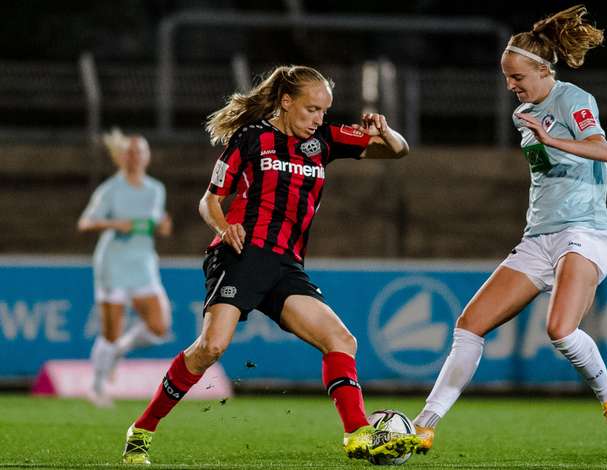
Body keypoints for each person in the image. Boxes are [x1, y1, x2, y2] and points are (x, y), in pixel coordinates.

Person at [120, 65, 419, 465]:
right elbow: (209, 201)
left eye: (324, 112)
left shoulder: (324, 141)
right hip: (241, 254)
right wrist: (225, 228)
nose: (319, 120)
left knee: (341, 340)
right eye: (311, 109)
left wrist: (384, 129)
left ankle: (357, 434)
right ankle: (141, 431)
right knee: (211, 347)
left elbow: (398, 150)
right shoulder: (252, 138)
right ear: (285, 101)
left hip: (285, 265)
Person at [412, 5, 607, 454]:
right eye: (507, 78)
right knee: (470, 324)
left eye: (518, 78)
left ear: (542, 69)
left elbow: (604, 150)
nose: (511, 86)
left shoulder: (574, 100)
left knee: (560, 330)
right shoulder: (523, 115)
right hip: (539, 237)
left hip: (583, 232)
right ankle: (424, 423)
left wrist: (552, 138)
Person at [78, 129, 173, 408]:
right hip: (113, 263)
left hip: (142, 262)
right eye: (129, 152)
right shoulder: (110, 189)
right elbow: (86, 222)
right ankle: (96, 387)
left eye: (139, 151)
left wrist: (163, 225)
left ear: (147, 156)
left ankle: (118, 351)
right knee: (111, 331)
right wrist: (114, 223)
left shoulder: (156, 189)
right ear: (121, 157)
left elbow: (156, 223)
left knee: (159, 327)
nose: (134, 157)